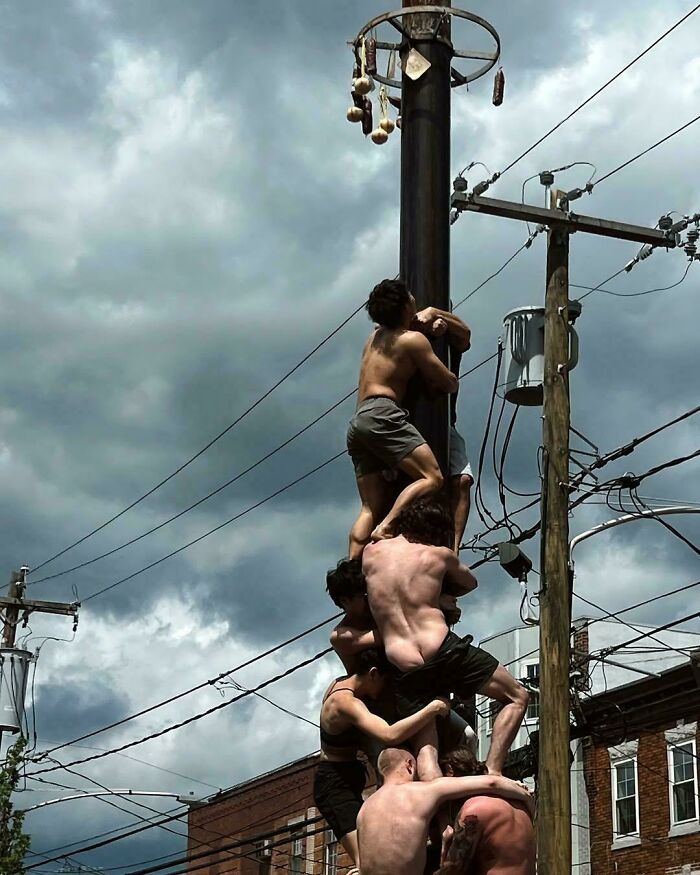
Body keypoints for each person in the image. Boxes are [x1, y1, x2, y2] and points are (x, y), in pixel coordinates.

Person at [363, 498, 529, 781]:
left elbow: (377, 532)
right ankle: (493, 771)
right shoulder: (438, 555)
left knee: (427, 751)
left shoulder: (371, 554)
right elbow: (469, 582)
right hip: (441, 648)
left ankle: (442, 825)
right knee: (517, 696)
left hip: (403, 663)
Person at [346, 278, 460, 558]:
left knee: (369, 508)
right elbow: (446, 382)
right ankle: (387, 526)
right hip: (384, 414)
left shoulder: (373, 338)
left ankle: (351, 569)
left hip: (359, 420)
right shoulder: (412, 340)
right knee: (432, 477)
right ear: (404, 305)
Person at [313, 648, 450, 871]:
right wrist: (432, 709)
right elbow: (389, 734)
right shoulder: (345, 702)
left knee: (378, 849)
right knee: (366, 862)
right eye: (383, 681)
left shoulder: (342, 683)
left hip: (349, 775)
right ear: (374, 673)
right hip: (334, 784)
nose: (383, 690)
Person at [356, 747, 533, 875]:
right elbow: (492, 783)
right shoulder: (421, 792)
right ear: (409, 765)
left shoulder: (364, 809)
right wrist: (525, 796)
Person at [409, 304, 474, 554]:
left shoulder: (450, 337)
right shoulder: (403, 335)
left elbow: (466, 334)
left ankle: (453, 550)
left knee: (463, 481)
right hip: (405, 423)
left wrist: (434, 312)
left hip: (446, 422)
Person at [437, 748, 536, 875]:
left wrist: (445, 844)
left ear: (449, 771)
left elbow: (451, 870)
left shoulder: (473, 810)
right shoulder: (519, 804)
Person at [327, 558, 381, 674]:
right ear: (345, 601)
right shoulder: (339, 636)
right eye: (361, 596)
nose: (366, 597)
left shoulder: (375, 608)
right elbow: (386, 636)